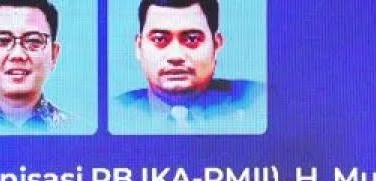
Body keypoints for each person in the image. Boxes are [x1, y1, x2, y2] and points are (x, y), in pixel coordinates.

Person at [111, 0, 265, 134]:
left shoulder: (259, 102)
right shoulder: (114, 113)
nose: (176, 56)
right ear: (139, 47)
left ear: (216, 45)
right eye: (159, 39)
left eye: (192, 39)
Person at [0, 0, 70, 131]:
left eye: (33, 41)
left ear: (54, 54)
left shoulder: (74, 131)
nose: (18, 54)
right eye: (2, 41)